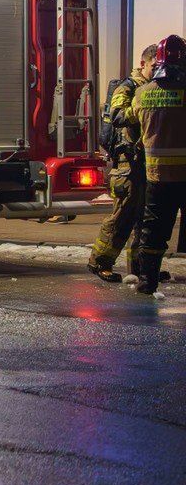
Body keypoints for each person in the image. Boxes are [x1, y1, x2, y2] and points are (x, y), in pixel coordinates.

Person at [90, 45, 157, 281]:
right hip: (127, 163)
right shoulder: (128, 87)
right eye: (154, 66)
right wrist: (141, 107)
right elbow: (117, 116)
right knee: (123, 216)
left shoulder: (155, 88)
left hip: (145, 162)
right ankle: (100, 262)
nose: (157, 70)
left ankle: (139, 267)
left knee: (144, 218)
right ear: (143, 64)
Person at [130, 35, 186, 295]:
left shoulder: (142, 93)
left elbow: (130, 118)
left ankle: (146, 281)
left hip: (157, 176)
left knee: (153, 230)